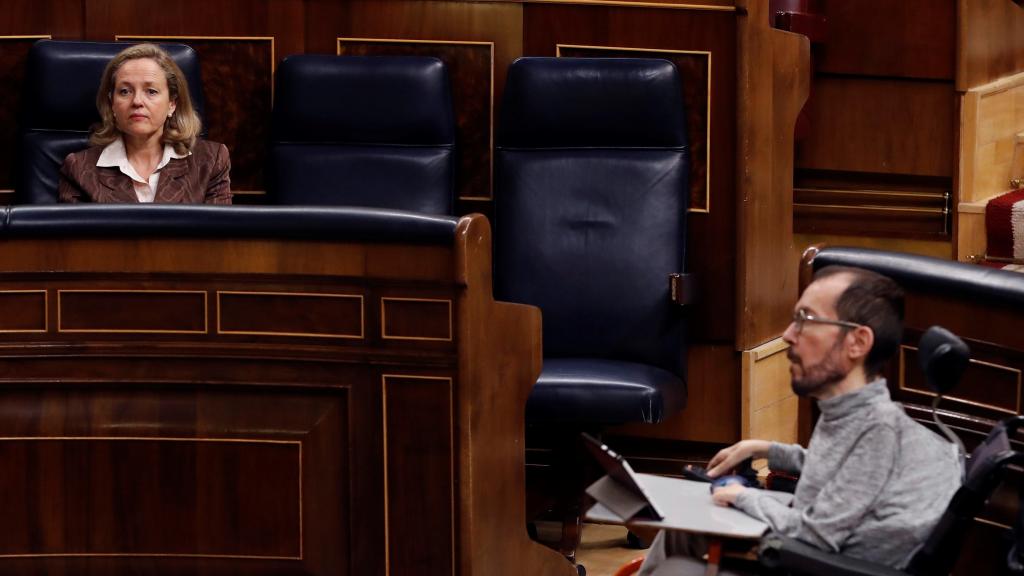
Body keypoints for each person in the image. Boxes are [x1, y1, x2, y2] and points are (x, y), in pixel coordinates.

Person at [639, 266, 962, 575]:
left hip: (816, 564)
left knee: (677, 565)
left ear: (858, 342)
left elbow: (816, 536)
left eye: (805, 319)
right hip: (809, 557)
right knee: (679, 526)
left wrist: (742, 496)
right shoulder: (851, 412)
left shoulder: (879, 429)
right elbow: (845, 473)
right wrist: (764, 448)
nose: (789, 334)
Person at [58, 43, 231, 204]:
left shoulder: (210, 162)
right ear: (112, 104)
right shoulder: (79, 169)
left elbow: (219, 235)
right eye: (125, 91)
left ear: (172, 103)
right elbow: (72, 237)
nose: (137, 101)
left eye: (151, 91)